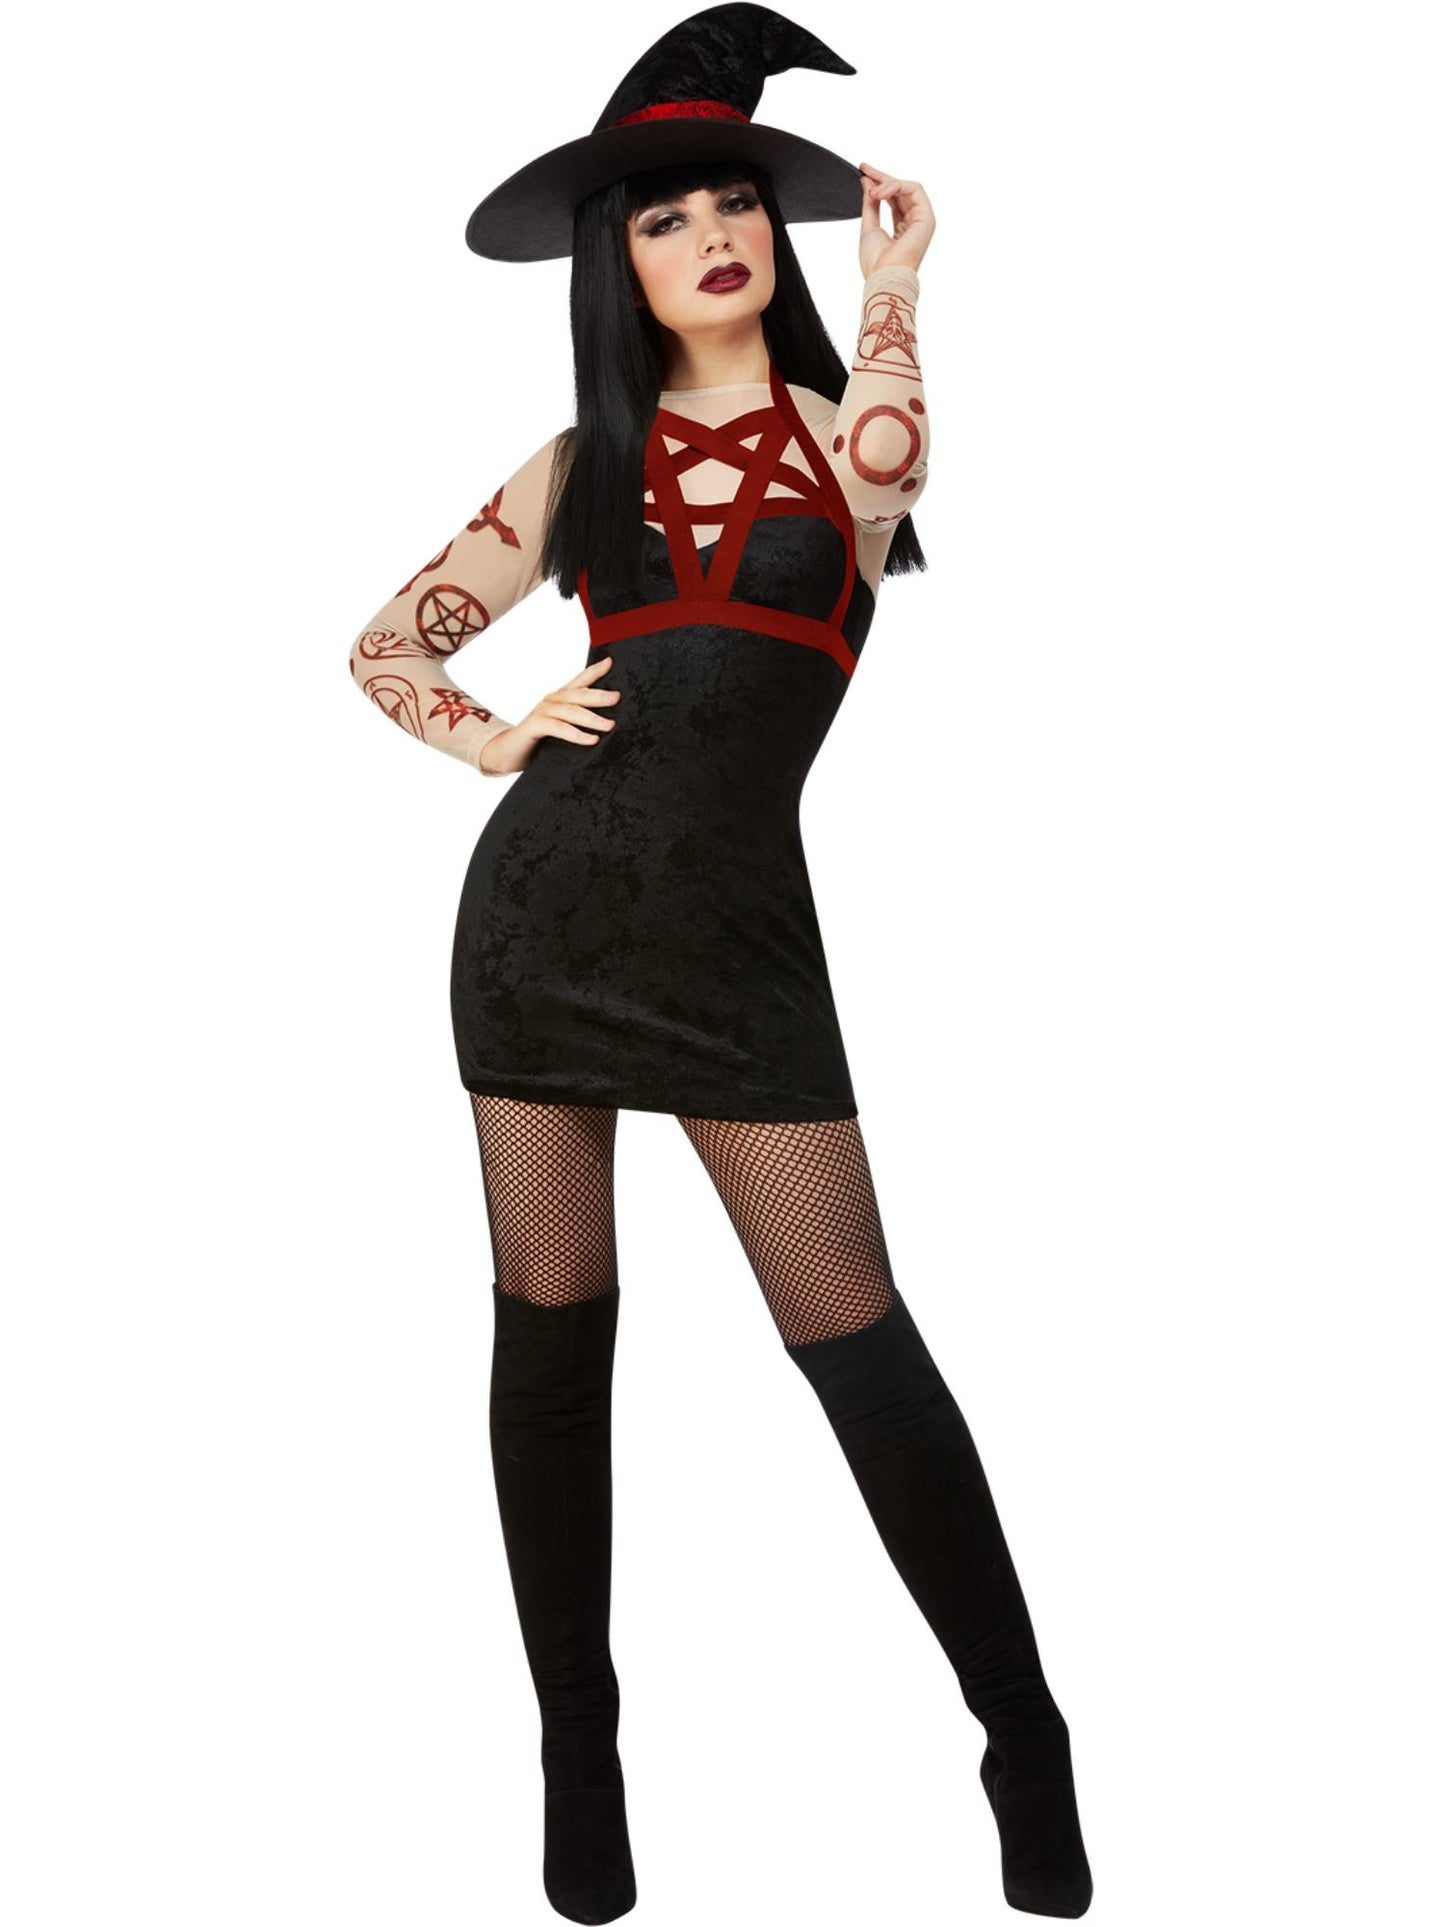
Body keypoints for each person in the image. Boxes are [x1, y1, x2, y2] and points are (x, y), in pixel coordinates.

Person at [348, 7, 1092, 1922]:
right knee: (552, 1345)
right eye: (664, 216)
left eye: (732, 202)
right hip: (537, 933)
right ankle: (577, 1752)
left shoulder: (844, 433)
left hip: (741, 943)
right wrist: (493, 734)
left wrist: (898, 279)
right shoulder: (576, 463)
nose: (708, 235)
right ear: (618, 264)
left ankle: (1020, 1731)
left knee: (857, 1343)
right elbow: (382, 645)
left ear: (774, 228)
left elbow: (893, 467)